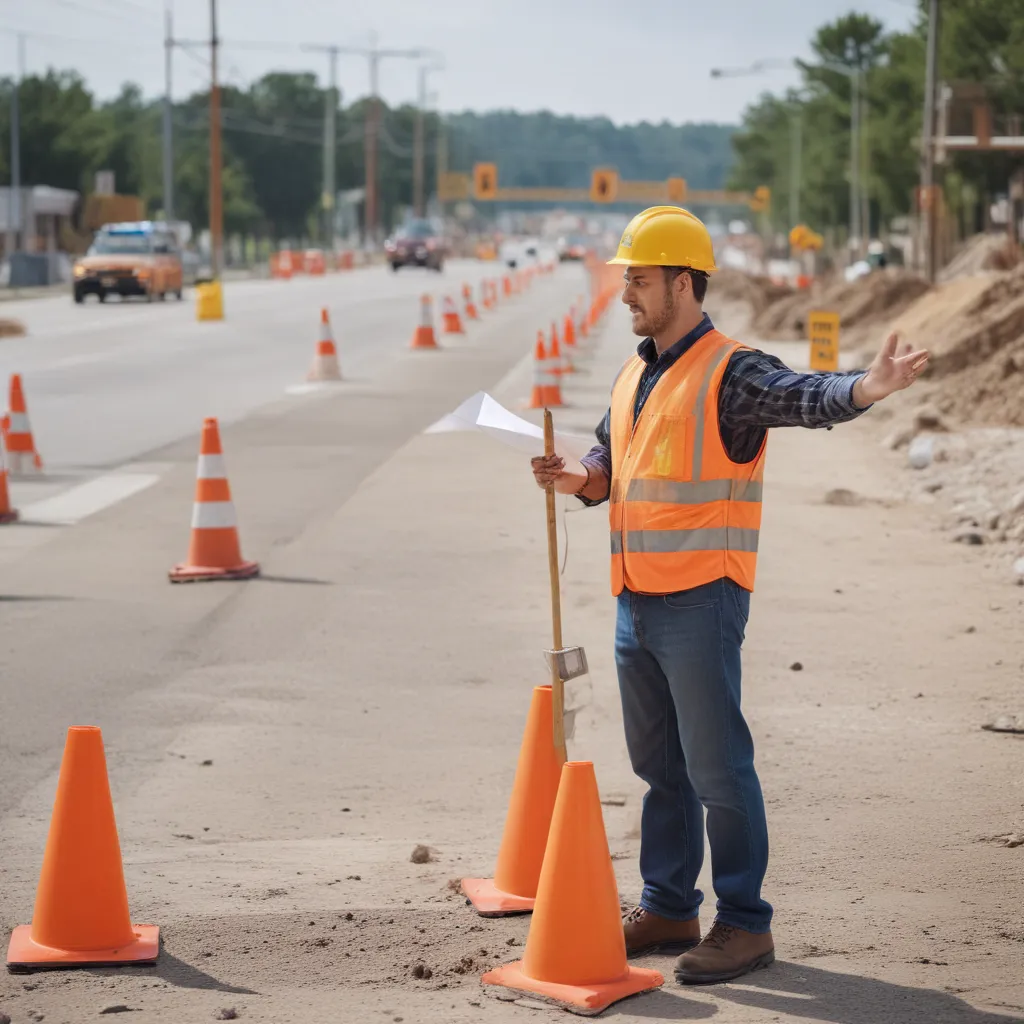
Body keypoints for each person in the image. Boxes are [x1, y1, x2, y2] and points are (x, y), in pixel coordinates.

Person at [530, 206, 928, 986]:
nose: (625, 295)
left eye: (639, 281)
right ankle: (670, 903)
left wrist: (864, 387)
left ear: (683, 281)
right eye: (625, 281)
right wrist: (576, 477)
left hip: (701, 601)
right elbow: (611, 459)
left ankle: (744, 924)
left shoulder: (732, 370)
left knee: (717, 769)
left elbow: (801, 394)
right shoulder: (636, 371)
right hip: (635, 601)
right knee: (659, 768)